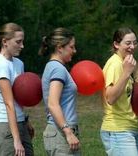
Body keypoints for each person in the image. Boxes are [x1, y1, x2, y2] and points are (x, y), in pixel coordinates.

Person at [100, 27, 138, 156]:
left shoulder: (124, 63)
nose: (132, 46)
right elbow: (110, 98)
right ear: (116, 44)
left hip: (129, 128)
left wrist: (136, 131)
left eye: (134, 43)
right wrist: (126, 73)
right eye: (128, 43)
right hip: (117, 130)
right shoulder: (115, 64)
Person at [0, 23, 34, 156]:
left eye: (22, 42)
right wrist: (16, 140)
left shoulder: (19, 63)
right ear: (5, 42)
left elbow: (18, 99)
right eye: (18, 42)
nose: (22, 46)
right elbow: (9, 103)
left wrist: (26, 121)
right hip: (4, 127)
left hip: (20, 123)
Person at [39, 27, 80, 156]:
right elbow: (52, 103)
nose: (74, 51)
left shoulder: (53, 66)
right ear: (60, 47)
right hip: (61, 134)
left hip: (58, 132)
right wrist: (67, 132)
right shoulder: (58, 69)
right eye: (71, 47)